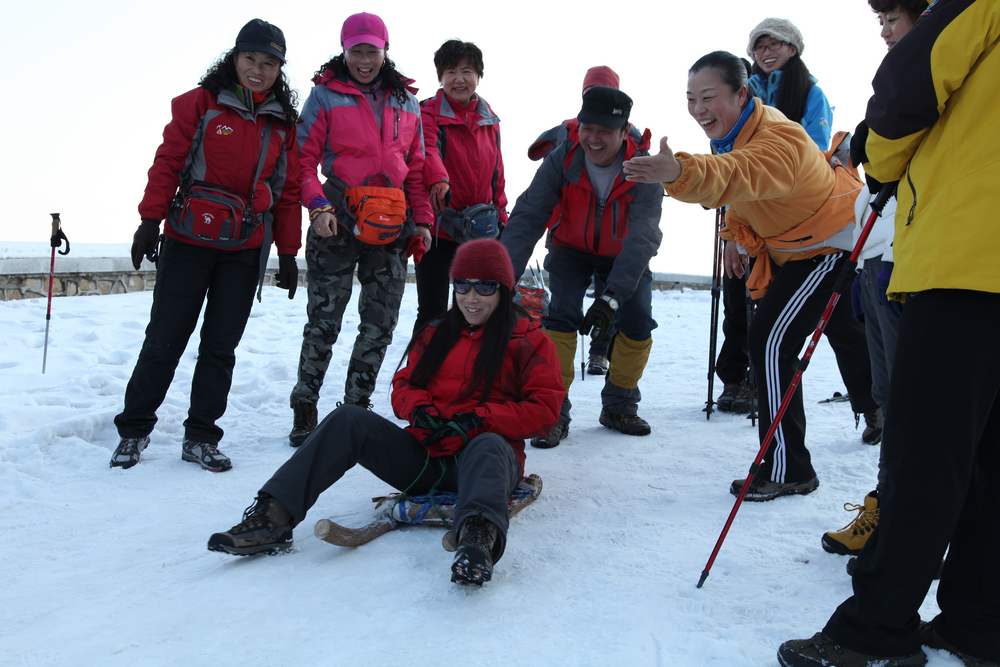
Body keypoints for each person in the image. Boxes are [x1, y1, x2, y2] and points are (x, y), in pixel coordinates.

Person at [779, 1, 1000, 664]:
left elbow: (908, 87)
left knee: (924, 455)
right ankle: (980, 620)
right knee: (990, 459)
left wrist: (876, 159)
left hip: (968, 260)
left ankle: (875, 628)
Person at [208, 239, 564, 586]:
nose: (472, 298)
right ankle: (273, 516)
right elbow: (404, 386)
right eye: (462, 287)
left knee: (488, 445)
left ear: (502, 290)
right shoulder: (437, 333)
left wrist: (481, 418)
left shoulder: (528, 340)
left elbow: (546, 409)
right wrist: (420, 409)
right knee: (348, 418)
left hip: (483, 464)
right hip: (427, 458)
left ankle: (477, 540)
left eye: (484, 288)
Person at [623, 51, 875, 501]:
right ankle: (874, 408)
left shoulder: (781, 138)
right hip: (795, 247)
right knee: (842, 331)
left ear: (742, 94)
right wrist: (734, 237)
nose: (698, 109)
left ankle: (789, 468)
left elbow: (742, 172)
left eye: (708, 97)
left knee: (772, 340)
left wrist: (680, 170)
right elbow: (745, 188)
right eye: (690, 99)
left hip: (826, 244)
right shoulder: (741, 133)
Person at [110, 18, 301, 472]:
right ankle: (134, 431)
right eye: (251, 59)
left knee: (220, 346)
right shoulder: (200, 104)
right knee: (164, 338)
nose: (259, 70)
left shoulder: (282, 124)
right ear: (234, 58)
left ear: (280, 69)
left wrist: (289, 252)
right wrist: (148, 220)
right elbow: (169, 161)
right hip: (188, 240)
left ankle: (201, 436)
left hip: (244, 247)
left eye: (270, 63)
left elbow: (287, 191)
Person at [288, 12, 433, 447]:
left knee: (379, 323)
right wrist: (317, 207)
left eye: (372, 50)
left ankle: (356, 407)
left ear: (385, 50)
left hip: (391, 225)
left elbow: (417, 169)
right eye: (357, 51)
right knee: (324, 320)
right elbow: (301, 162)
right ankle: (305, 404)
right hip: (336, 219)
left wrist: (422, 221)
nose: (364, 59)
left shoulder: (406, 102)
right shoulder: (325, 96)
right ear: (344, 51)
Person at [819, 0, 928, 559]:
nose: (886, 31)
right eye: (880, 22)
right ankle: (891, 507)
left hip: (911, 267)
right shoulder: (894, 84)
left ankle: (909, 518)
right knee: (892, 394)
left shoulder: (936, 80)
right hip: (875, 267)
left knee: (918, 400)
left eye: (894, 19)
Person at [503, 86, 664, 448]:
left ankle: (620, 405)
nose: (593, 138)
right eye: (587, 128)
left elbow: (643, 238)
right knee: (560, 317)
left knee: (636, 320)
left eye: (604, 131)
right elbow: (529, 215)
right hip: (570, 248)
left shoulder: (646, 169)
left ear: (624, 133)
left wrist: (612, 299)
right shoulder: (563, 158)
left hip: (624, 254)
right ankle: (552, 412)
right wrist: (501, 277)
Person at [526, 65, 633, 377]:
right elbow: (531, 209)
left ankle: (606, 366)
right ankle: (554, 405)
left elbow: (644, 232)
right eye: (588, 94)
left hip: (617, 246)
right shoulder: (568, 136)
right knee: (562, 311)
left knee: (617, 303)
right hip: (569, 239)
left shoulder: (636, 148)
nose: (595, 137)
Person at [414, 39, 507, 332]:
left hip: (480, 231)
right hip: (437, 229)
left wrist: (502, 216)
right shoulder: (427, 112)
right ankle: (421, 374)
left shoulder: (489, 119)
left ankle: (467, 373)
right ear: (440, 77)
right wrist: (440, 180)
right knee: (432, 311)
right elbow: (427, 150)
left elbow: (497, 174)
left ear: (478, 76)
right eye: (451, 71)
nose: (459, 79)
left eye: (467, 71)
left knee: (476, 311)